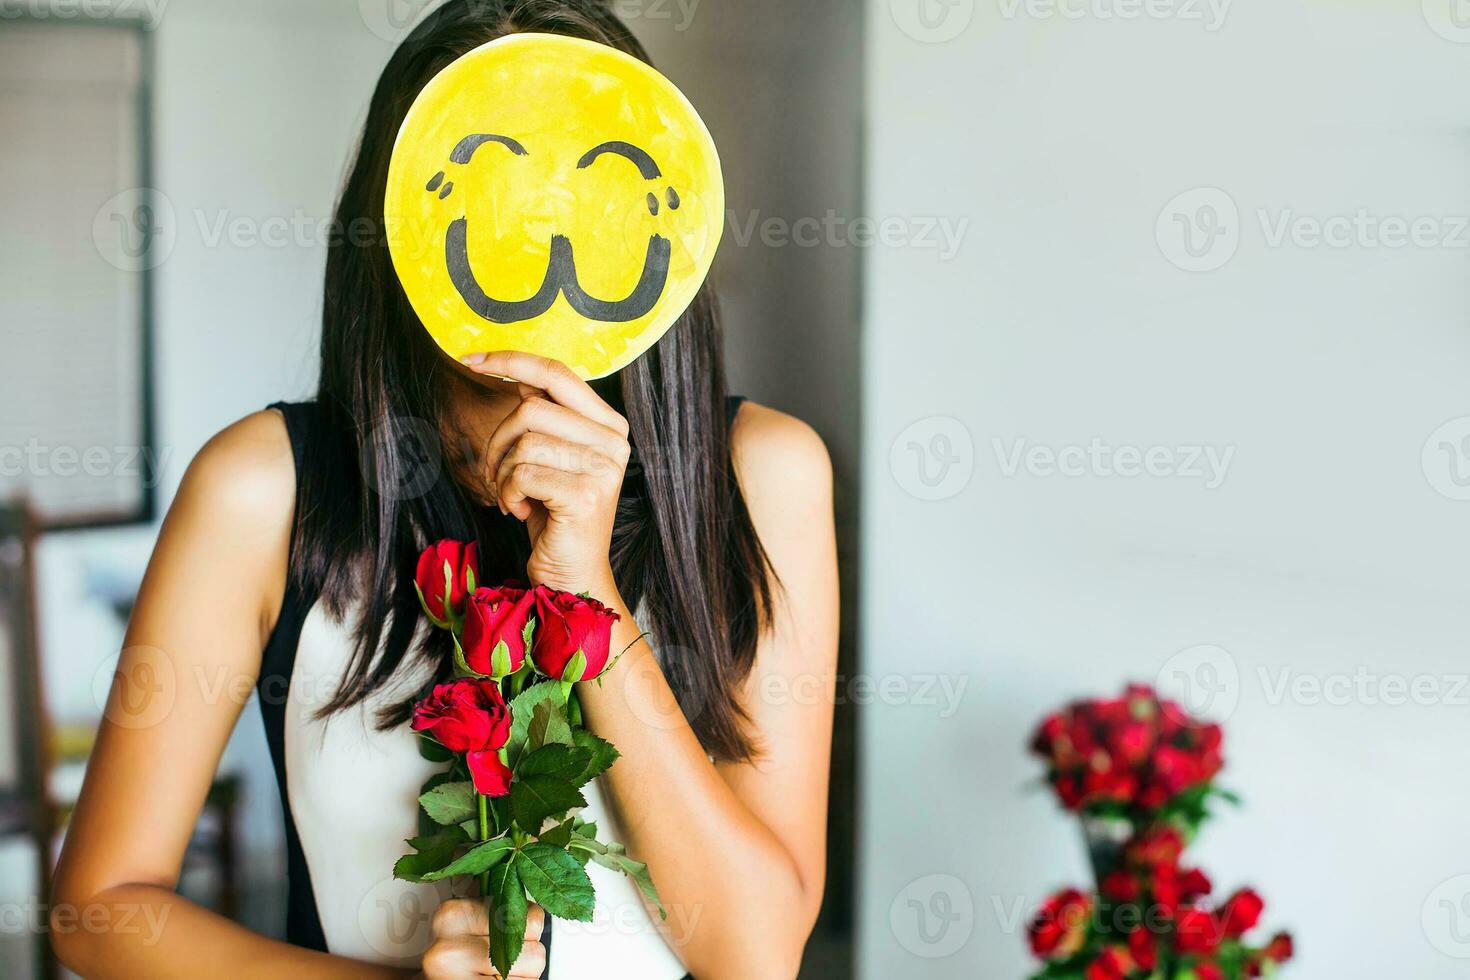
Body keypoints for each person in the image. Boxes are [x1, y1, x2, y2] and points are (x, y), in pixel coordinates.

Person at [50, 2, 838, 978]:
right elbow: (98, 908)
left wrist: (586, 586)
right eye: (492, 182)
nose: (537, 229)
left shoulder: (763, 473)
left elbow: (755, 956)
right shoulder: (262, 488)